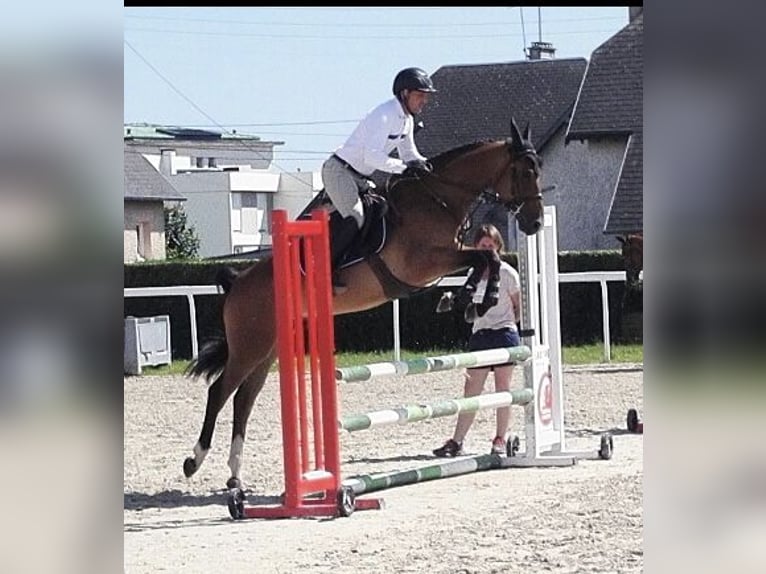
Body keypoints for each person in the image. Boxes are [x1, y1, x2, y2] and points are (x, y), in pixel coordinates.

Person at [321, 67, 437, 289]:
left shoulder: (407, 120)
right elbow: (372, 156)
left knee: (382, 209)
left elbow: (409, 153)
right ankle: (325, 271)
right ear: (405, 94)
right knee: (355, 215)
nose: (424, 101)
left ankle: (360, 261)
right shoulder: (384, 115)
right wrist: (403, 168)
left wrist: (425, 165)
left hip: (360, 177)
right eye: (420, 95)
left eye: (426, 96)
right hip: (339, 171)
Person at [432, 224, 522, 457]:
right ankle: (458, 440)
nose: (486, 250)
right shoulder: (473, 274)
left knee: (503, 388)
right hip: (480, 333)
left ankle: (500, 438)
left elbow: (518, 306)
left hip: (503, 332)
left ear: (498, 247)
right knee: (471, 388)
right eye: (482, 246)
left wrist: (510, 323)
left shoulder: (507, 273)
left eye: (490, 246)